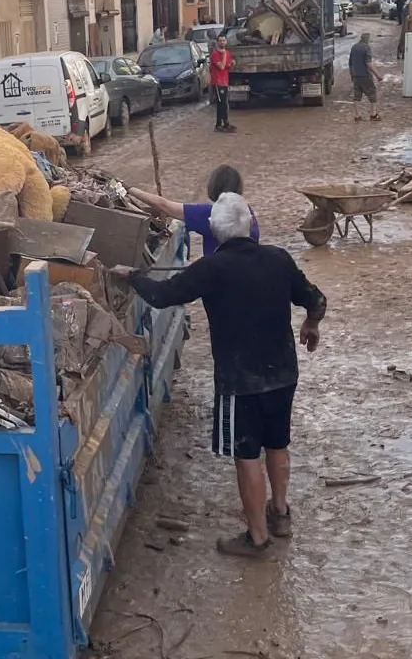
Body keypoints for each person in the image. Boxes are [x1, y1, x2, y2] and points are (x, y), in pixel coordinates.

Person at [109, 193, 327, 559]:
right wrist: (311, 324)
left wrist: (132, 276)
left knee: (247, 457)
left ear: (213, 228)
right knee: (277, 445)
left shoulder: (211, 268)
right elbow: (316, 299)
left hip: (239, 382)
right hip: (283, 373)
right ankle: (281, 512)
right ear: (250, 225)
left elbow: (162, 297)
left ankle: (257, 538)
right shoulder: (277, 258)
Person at [128, 164, 259, 255]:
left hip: (219, 281)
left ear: (213, 187)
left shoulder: (210, 214)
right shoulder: (247, 212)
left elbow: (164, 206)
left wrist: (128, 189)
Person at [348, 33, 380, 122]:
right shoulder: (366, 48)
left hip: (356, 76)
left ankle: (357, 116)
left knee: (357, 96)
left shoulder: (354, 47)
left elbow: (350, 64)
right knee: (372, 94)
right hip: (365, 75)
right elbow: (369, 64)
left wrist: (352, 75)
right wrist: (378, 75)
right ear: (367, 39)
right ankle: (373, 115)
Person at [209, 34, 235, 133]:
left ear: (226, 42)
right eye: (220, 41)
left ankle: (224, 123)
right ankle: (220, 124)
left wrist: (232, 63)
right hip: (217, 82)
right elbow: (221, 67)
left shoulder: (227, 53)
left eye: (224, 40)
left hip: (225, 81)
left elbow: (227, 66)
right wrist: (224, 55)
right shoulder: (215, 54)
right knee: (221, 104)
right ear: (217, 42)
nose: (222, 42)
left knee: (224, 103)